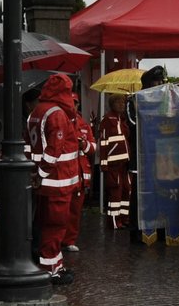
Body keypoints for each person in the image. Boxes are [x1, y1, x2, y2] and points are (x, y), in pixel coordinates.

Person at [27, 72, 84, 281]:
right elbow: (54, 150)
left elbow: (30, 146)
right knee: (55, 225)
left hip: (45, 181)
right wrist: (42, 173)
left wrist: (35, 174)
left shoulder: (36, 112)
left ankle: (54, 265)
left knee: (46, 224)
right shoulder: (57, 114)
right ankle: (51, 270)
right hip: (57, 181)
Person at [126, 64, 165, 243]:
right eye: (156, 81)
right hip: (142, 157)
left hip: (160, 157)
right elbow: (134, 124)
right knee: (139, 196)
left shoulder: (165, 101)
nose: (159, 84)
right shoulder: (133, 100)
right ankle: (137, 230)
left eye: (160, 81)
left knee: (161, 194)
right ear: (147, 83)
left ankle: (161, 229)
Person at [65, 86, 94, 253]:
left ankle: (69, 240)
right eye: (71, 103)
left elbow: (93, 147)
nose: (73, 106)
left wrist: (84, 144)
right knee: (61, 211)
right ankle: (59, 240)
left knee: (75, 210)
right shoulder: (60, 120)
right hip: (64, 173)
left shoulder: (83, 124)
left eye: (75, 103)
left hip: (80, 173)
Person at [97, 92, 132, 228]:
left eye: (123, 102)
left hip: (124, 163)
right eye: (118, 102)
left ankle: (124, 218)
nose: (121, 105)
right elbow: (104, 143)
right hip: (113, 164)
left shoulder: (122, 119)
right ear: (112, 104)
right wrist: (104, 164)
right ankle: (113, 221)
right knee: (115, 193)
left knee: (126, 190)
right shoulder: (107, 119)